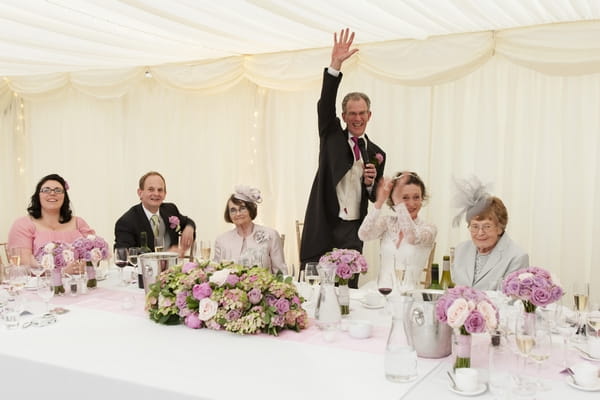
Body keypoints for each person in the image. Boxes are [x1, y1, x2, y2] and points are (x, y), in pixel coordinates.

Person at [300, 28, 385, 288]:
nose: (357, 118)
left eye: (362, 113)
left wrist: (371, 183)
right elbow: (325, 103)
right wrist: (335, 65)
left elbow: (373, 196)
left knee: (349, 290)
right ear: (344, 116)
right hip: (325, 222)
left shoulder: (377, 152)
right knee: (318, 288)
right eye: (352, 113)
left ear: (369, 115)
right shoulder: (332, 136)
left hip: (353, 230)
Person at [358, 172, 437, 289]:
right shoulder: (387, 222)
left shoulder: (429, 229)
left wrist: (399, 203)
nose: (411, 203)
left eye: (416, 197)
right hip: (380, 291)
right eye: (404, 198)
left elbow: (412, 237)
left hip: (409, 297)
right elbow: (363, 235)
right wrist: (379, 202)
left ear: (422, 198)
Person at [451, 176, 529, 290]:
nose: (480, 233)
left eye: (487, 226)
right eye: (475, 226)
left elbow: (512, 301)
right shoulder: (460, 250)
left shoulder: (517, 257)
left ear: (500, 227)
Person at [8, 173, 94, 273]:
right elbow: (23, 263)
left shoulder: (78, 223)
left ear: (64, 197)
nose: (52, 193)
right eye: (46, 190)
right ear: (37, 196)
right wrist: (60, 272)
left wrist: (86, 264)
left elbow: (95, 252)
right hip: (38, 286)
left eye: (58, 190)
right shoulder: (23, 224)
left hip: (76, 283)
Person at [114, 171, 195, 255]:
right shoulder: (126, 222)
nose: (156, 194)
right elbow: (123, 255)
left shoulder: (170, 210)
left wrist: (189, 228)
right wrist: (165, 256)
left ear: (165, 194)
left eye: (160, 190)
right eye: (151, 189)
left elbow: (188, 222)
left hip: (173, 267)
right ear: (140, 193)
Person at [213, 185, 287, 275]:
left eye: (242, 208)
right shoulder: (221, 240)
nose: (238, 213)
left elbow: (281, 273)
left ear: (250, 209)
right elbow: (216, 274)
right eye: (233, 210)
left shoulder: (271, 235)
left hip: (265, 288)